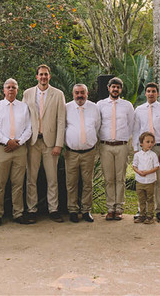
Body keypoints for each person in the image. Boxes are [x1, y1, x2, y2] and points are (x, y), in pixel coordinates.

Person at [22, 64, 66, 222]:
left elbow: (61, 120)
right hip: (32, 142)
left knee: (52, 178)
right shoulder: (27, 94)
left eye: (46, 74)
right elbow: (23, 118)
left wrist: (59, 144)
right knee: (31, 178)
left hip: (50, 143)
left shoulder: (58, 94)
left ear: (50, 76)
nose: (43, 77)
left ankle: (53, 209)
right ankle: (31, 209)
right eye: (41, 74)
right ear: (36, 76)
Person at [0, 78, 31, 226]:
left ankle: (18, 213)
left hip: (19, 149)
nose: (11, 89)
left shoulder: (24, 107)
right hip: (2, 149)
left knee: (18, 183)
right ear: (4, 90)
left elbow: (29, 129)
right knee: (0, 183)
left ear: (17, 90)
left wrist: (17, 142)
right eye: (8, 87)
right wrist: (8, 141)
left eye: (14, 87)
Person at [132, 83, 160, 221]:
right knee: (142, 180)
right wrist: (136, 149)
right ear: (145, 93)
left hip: (157, 147)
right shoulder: (139, 109)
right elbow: (136, 130)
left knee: (158, 180)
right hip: (142, 148)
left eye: (153, 91)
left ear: (157, 93)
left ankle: (159, 209)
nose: (150, 94)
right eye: (148, 91)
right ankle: (141, 210)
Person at [97, 77, 134, 221]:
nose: (115, 89)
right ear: (108, 88)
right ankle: (110, 208)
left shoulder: (127, 106)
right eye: (113, 87)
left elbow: (131, 125)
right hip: (105, 146)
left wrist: (125, 138)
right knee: (109, 178)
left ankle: (119, 208)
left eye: (118, 87)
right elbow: (97, 124)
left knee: (120, 178)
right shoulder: (100, 105)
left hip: (121, 146)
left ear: (121, 89)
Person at [63, 84, 99, 223]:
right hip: (71, 153)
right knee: (71, 183)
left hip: (88, 153)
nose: (79, 95)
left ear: (87, 93)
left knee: (87, 183)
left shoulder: (94, 108)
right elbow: (63, 127)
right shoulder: (66, 108)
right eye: (77, 93)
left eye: (82, 92)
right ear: (73, 94)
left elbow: (97, 126)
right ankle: (72, 210)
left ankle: (86, 210)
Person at [132, 132, 160, 224]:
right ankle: (142, 215)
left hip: (150, 181)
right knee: (141, 199)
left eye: (152, 142)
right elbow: (134, 166)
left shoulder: (153, 155)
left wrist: (147, 172)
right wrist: (139, 172)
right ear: (141, 143)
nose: (150, 144)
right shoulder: (137, 155)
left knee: (150, 199)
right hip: (140, 181)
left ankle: (150, 216)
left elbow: (156, 167)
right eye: (147, 142)